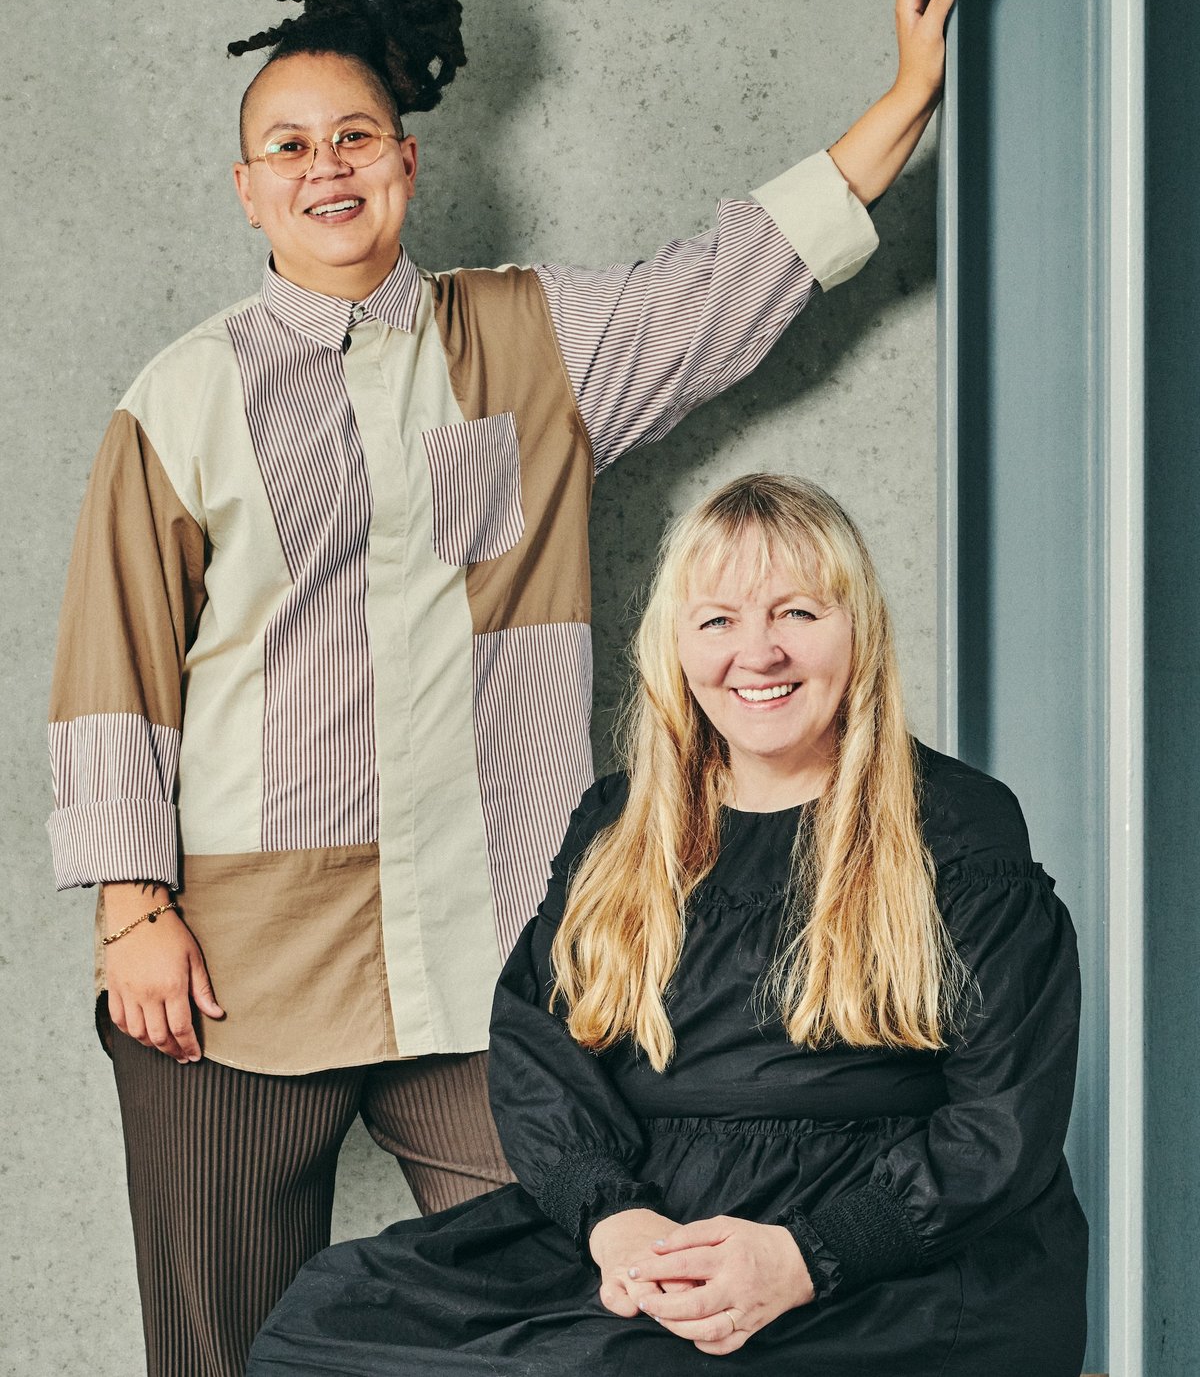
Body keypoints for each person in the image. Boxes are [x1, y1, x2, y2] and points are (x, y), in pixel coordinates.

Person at [47, 0, 956, 1377]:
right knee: (215, 1355)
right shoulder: (181, 397)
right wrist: (130, 909)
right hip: (234, 974)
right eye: (290, 146)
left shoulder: (540, 341)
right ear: (247, 188)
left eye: (356, 135)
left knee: (573, 1323)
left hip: (492, 957)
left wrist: (905, 96)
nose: (327, 166)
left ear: (408, 162)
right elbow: (116, 664)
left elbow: (728, 282)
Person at [248, 473, 1088, 1376]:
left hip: (880, 1247)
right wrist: (615, 1220)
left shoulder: (958, 829)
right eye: (718, 620)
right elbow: (541, 1047)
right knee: (328, 1318)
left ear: (860, 629)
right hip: (652, 1212)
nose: (757, 653)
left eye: (798, 613)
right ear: (675, 645)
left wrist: (804, 1257)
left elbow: (1002, 1123)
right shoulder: (618, 823)